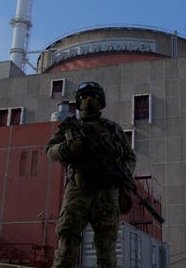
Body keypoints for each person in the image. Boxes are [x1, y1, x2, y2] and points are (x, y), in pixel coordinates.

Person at [46, 81, 136, 268]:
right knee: (67, 241)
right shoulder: (70, 127)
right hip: (79, 189)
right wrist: (68, 147)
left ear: (100, 101)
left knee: (107, 249)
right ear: (78, 101)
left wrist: (123, 176)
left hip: (106, 191)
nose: (88, 100)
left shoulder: (113, 129)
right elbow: (50, 151)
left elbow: (129, 157)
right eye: (84, 96)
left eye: (93, 96)